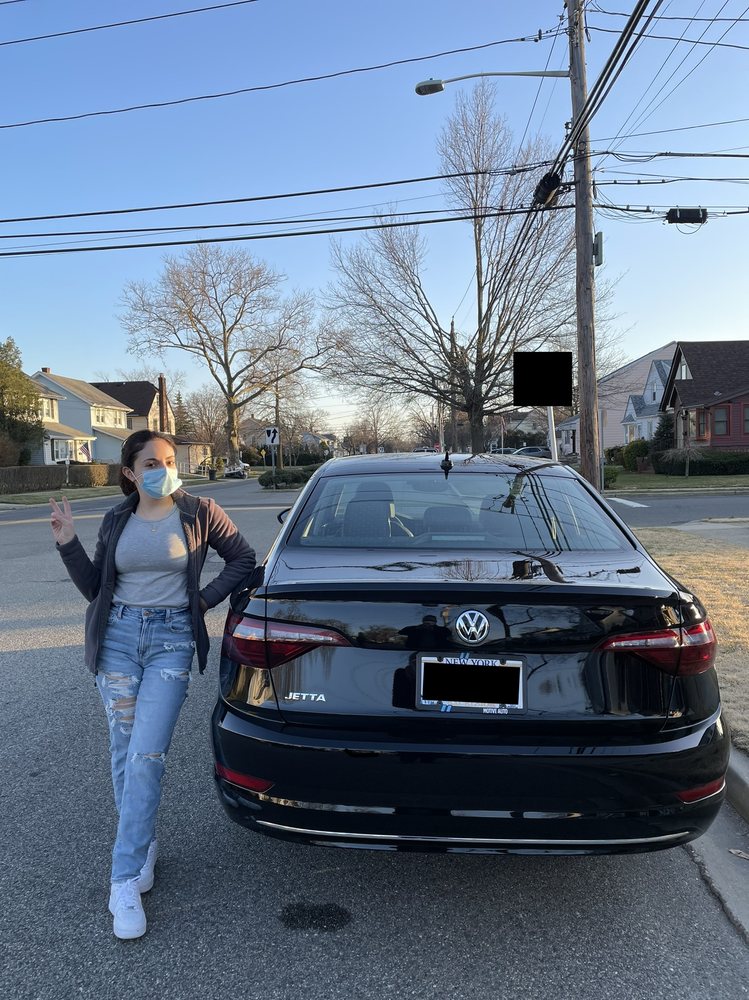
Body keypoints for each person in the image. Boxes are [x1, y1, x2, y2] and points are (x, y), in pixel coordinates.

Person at [49, 430, 255, 940]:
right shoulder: (116, 518)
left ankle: (122, 878)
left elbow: (242, 559)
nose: (163, 469)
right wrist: (67, 542)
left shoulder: (200, 511)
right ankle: (139, 850)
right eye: (151, 463)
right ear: (130, 473)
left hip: (170, 641)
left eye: (168, 460)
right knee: (124, 750)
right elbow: (95, 588)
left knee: (146, 754)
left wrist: (201, 602)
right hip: (118, 638)